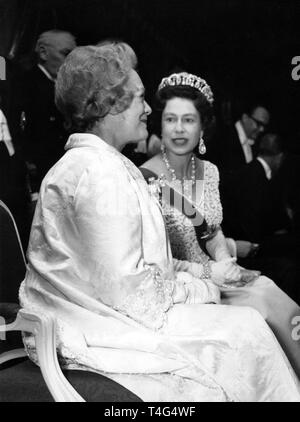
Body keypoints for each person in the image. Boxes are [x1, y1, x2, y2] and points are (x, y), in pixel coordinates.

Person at [19, 45, 300, 402]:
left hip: (114, 307)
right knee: (246, 329)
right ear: (109, 104)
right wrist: (205, 288)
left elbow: (146, 265)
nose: (148, 109)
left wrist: (208, 274)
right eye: (139, 98)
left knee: (256, 310)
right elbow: (135, 297)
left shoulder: (103, 165)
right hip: (98, 324)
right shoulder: (101, 173)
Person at [140, 71, 300, 376]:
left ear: (203, 127)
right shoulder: (145, 178)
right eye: (171, 119)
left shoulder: (209, 172)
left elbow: (211, 231)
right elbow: (151, 261)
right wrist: (209, 272)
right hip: (180, 290)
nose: (178, 129)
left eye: (188, 120)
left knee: (271, 294)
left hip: (218, 279)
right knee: (261, 314)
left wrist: (227, 262)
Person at [11, 30, 76, 193]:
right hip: (39, 174)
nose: (71, 61)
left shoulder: (64, 86)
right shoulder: (25, 85)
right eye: (66, 54)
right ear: (43, 52)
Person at [206, 101, 270, 177]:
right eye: (259, 124)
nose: (262, 129)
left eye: (264, 126)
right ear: (245, 118)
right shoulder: (222, 137)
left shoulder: (256, 145)